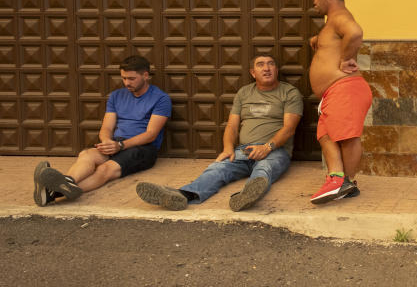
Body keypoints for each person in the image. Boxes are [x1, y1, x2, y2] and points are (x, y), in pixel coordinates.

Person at [135, 53, 303, 212]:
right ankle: (183, 195)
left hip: (275, 151)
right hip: (243, 150)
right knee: (217, 169)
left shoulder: (289, 92)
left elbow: (289, 128)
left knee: (264, 169)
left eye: (270, 64)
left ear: (276, 70)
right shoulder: (244, 93)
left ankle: (245, 196)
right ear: (253, 73)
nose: (266, 68)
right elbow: (232, 126)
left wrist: (267, 147)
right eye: (260, 65)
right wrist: (228, 148)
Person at [32, 56, 171, 206]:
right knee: (86, 155)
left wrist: (121, 146)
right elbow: (106, 127)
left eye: (131, 79)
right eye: (124, 78)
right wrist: (106, 141)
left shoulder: (161, 99)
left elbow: (151, 135)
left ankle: (53, 193)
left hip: (143, 148)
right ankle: (67, 182)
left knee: (105, 169)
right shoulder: (116, 96)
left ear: (145, 75)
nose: (127, 83)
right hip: (116, 143)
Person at [306, 0, 373, 204]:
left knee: (347, 138)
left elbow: (354, 32)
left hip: (345, 88)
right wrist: (320, 40)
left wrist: (347, 58)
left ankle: (347, 181)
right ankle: (337, 179)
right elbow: (337, 39)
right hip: (333, 92)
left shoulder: (340, 16)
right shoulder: (331, 23)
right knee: (325, 134)